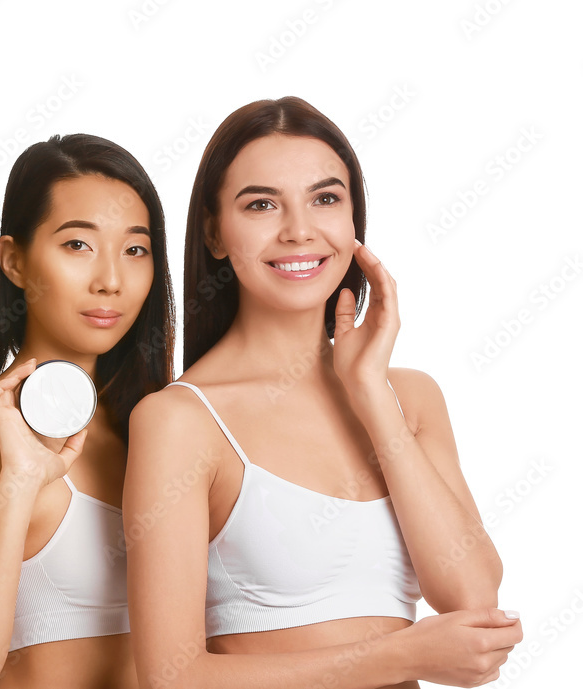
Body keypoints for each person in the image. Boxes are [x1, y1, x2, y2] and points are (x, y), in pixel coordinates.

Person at [124, 97, 522, 688]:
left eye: (325, 198)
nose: (299, 230)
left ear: (354, 220)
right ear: (213, 231)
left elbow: (472, 596)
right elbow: (171, 676)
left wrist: (369, 394)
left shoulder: (408, 398)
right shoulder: (180, 421)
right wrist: (401, 657)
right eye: (261, 204)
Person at [0, 134, 175, 688]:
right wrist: (17, 486)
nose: (110, 280)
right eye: (78, 245)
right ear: (13, 261)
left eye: (135, 250)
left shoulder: (156, 425)